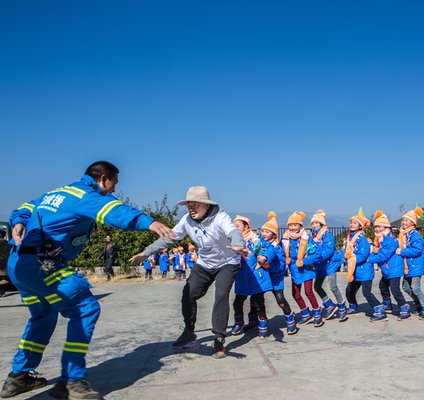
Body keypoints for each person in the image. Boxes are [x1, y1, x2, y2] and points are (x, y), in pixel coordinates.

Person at [0, 161, 174, 399]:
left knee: (43, 315)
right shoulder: (86, 195)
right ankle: (72, 380)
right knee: (85, 308)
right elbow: (115, 211)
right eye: (114, 183)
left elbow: (25, 207)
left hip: (18, 265)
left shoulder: (56, 193)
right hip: (43, 265)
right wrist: (149, 223)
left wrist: (18, 221)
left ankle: (18, 377)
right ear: (103, 178)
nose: (114, 189)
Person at [131, 186, 245, 359]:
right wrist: (146, 253)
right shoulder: (186, 220)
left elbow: (233, 231)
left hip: (227, 262)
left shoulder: (220, 217)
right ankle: (189, 332)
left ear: (206, 205)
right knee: (188, 293)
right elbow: (168, 238)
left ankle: (219, 339)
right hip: (205, 263)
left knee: (221, 294)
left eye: (196, 204)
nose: (191, 208)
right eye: (189, 205)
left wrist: (238, 244)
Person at [230, 215, 274, 339]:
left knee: (258, 303)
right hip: (242, 276)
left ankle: (262, 326)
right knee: (237, 302)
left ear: (246, 227)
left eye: (237, 226)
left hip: (256, 276)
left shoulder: (255, 240)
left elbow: (269, 249)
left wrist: (264, 258)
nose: (235, 228)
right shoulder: (232, 241)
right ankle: (239, 323)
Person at [281, 211, 323, 326]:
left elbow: (317, 253)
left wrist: (304, 261)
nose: (293, 228)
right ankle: (305, 313)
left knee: (308, 291)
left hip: (306, 269)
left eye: (295, 225)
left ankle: (317, 313)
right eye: (290, 225)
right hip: (294, 270)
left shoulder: (307, 238)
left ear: (301, 226)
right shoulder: (285, 239)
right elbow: (280, 253)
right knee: (295, 294)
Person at [344, 214, 387, 322]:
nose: (352, 225)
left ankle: (379, 310)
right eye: (351, 222)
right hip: (355, 270)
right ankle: (353, 306)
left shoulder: (362, 239)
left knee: (366, 292)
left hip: (364, 270)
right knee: (349, 290)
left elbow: (363, 255)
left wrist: (351, 259)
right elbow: (345, 252)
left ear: (360, 226)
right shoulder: (350, 238)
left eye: (355, 223)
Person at [369, 211, 411, 320]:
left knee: (395, 289)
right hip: (388, 269)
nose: (377, 229)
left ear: (386, 227)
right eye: (376, 227)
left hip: (394, 269)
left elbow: (383, 256)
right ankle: (387, 304)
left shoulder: (389, 239)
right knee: (382, 285)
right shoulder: (382, 239)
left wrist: (369, 259)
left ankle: (404, 307)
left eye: (380, 227)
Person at [260, 212, 298, 334]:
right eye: (263, 231)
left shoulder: (277, 248)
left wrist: (268, 265)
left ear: (273, 234)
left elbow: (281, 266)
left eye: (267, 231)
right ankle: (262, 324)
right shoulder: (259, 244)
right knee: (258, 301)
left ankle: (290, 319)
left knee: (280, 301)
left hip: (275, 278)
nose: (264, 234)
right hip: (263, 277)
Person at [311, 210, 346, 321]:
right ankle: (329, 305)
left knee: (333, 286)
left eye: (317, 223)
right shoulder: (313, 236)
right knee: (317, 286)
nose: (314, 225)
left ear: (322, 224)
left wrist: (317, 257)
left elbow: (328, 251)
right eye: (313, 223)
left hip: (330, 264)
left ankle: (342, 307)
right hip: (320, 265)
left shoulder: (328, 235)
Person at [398, 207, 424, 320]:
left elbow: (417, 250)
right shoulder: (403, 234)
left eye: (406, 220)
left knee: (415, 287)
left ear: (412, 222)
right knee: (406, 287)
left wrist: (401, 251)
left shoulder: (414, 235)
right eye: (403, 220)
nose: (403, 222)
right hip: (407, 266)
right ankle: (419, 303)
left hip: (416, 265)